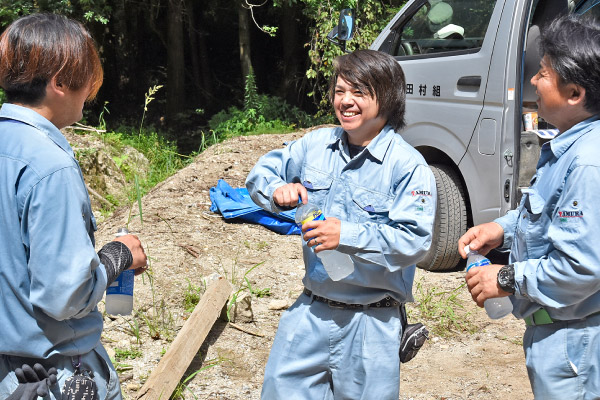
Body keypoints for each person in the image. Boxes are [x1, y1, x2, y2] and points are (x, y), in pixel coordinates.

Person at [246, 49, 436, 399]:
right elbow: (260, 174)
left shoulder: (408, 166)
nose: (345, 101)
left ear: (389, 98)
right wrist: (278, 190)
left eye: (359, 92)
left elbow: (415, 241)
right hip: (311, 309)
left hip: (371, 323)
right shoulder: (316, 145)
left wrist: (344, 234)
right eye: (339, 91)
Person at [0, 13, 147, 399]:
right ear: (60, 81)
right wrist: (119, 256)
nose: (90, 94)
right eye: (87, 82)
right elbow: (64, 296)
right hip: (53, 376)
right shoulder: (50, 167)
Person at [458, 15, 600, 399]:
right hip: (561, 333)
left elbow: (581, 267)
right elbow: (545, 211)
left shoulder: (588, 162)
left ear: (574, 94)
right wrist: (501, 228)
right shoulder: (569, 146)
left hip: (577, 343)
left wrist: (504, 279)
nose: (534, 82)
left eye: (543, 73)